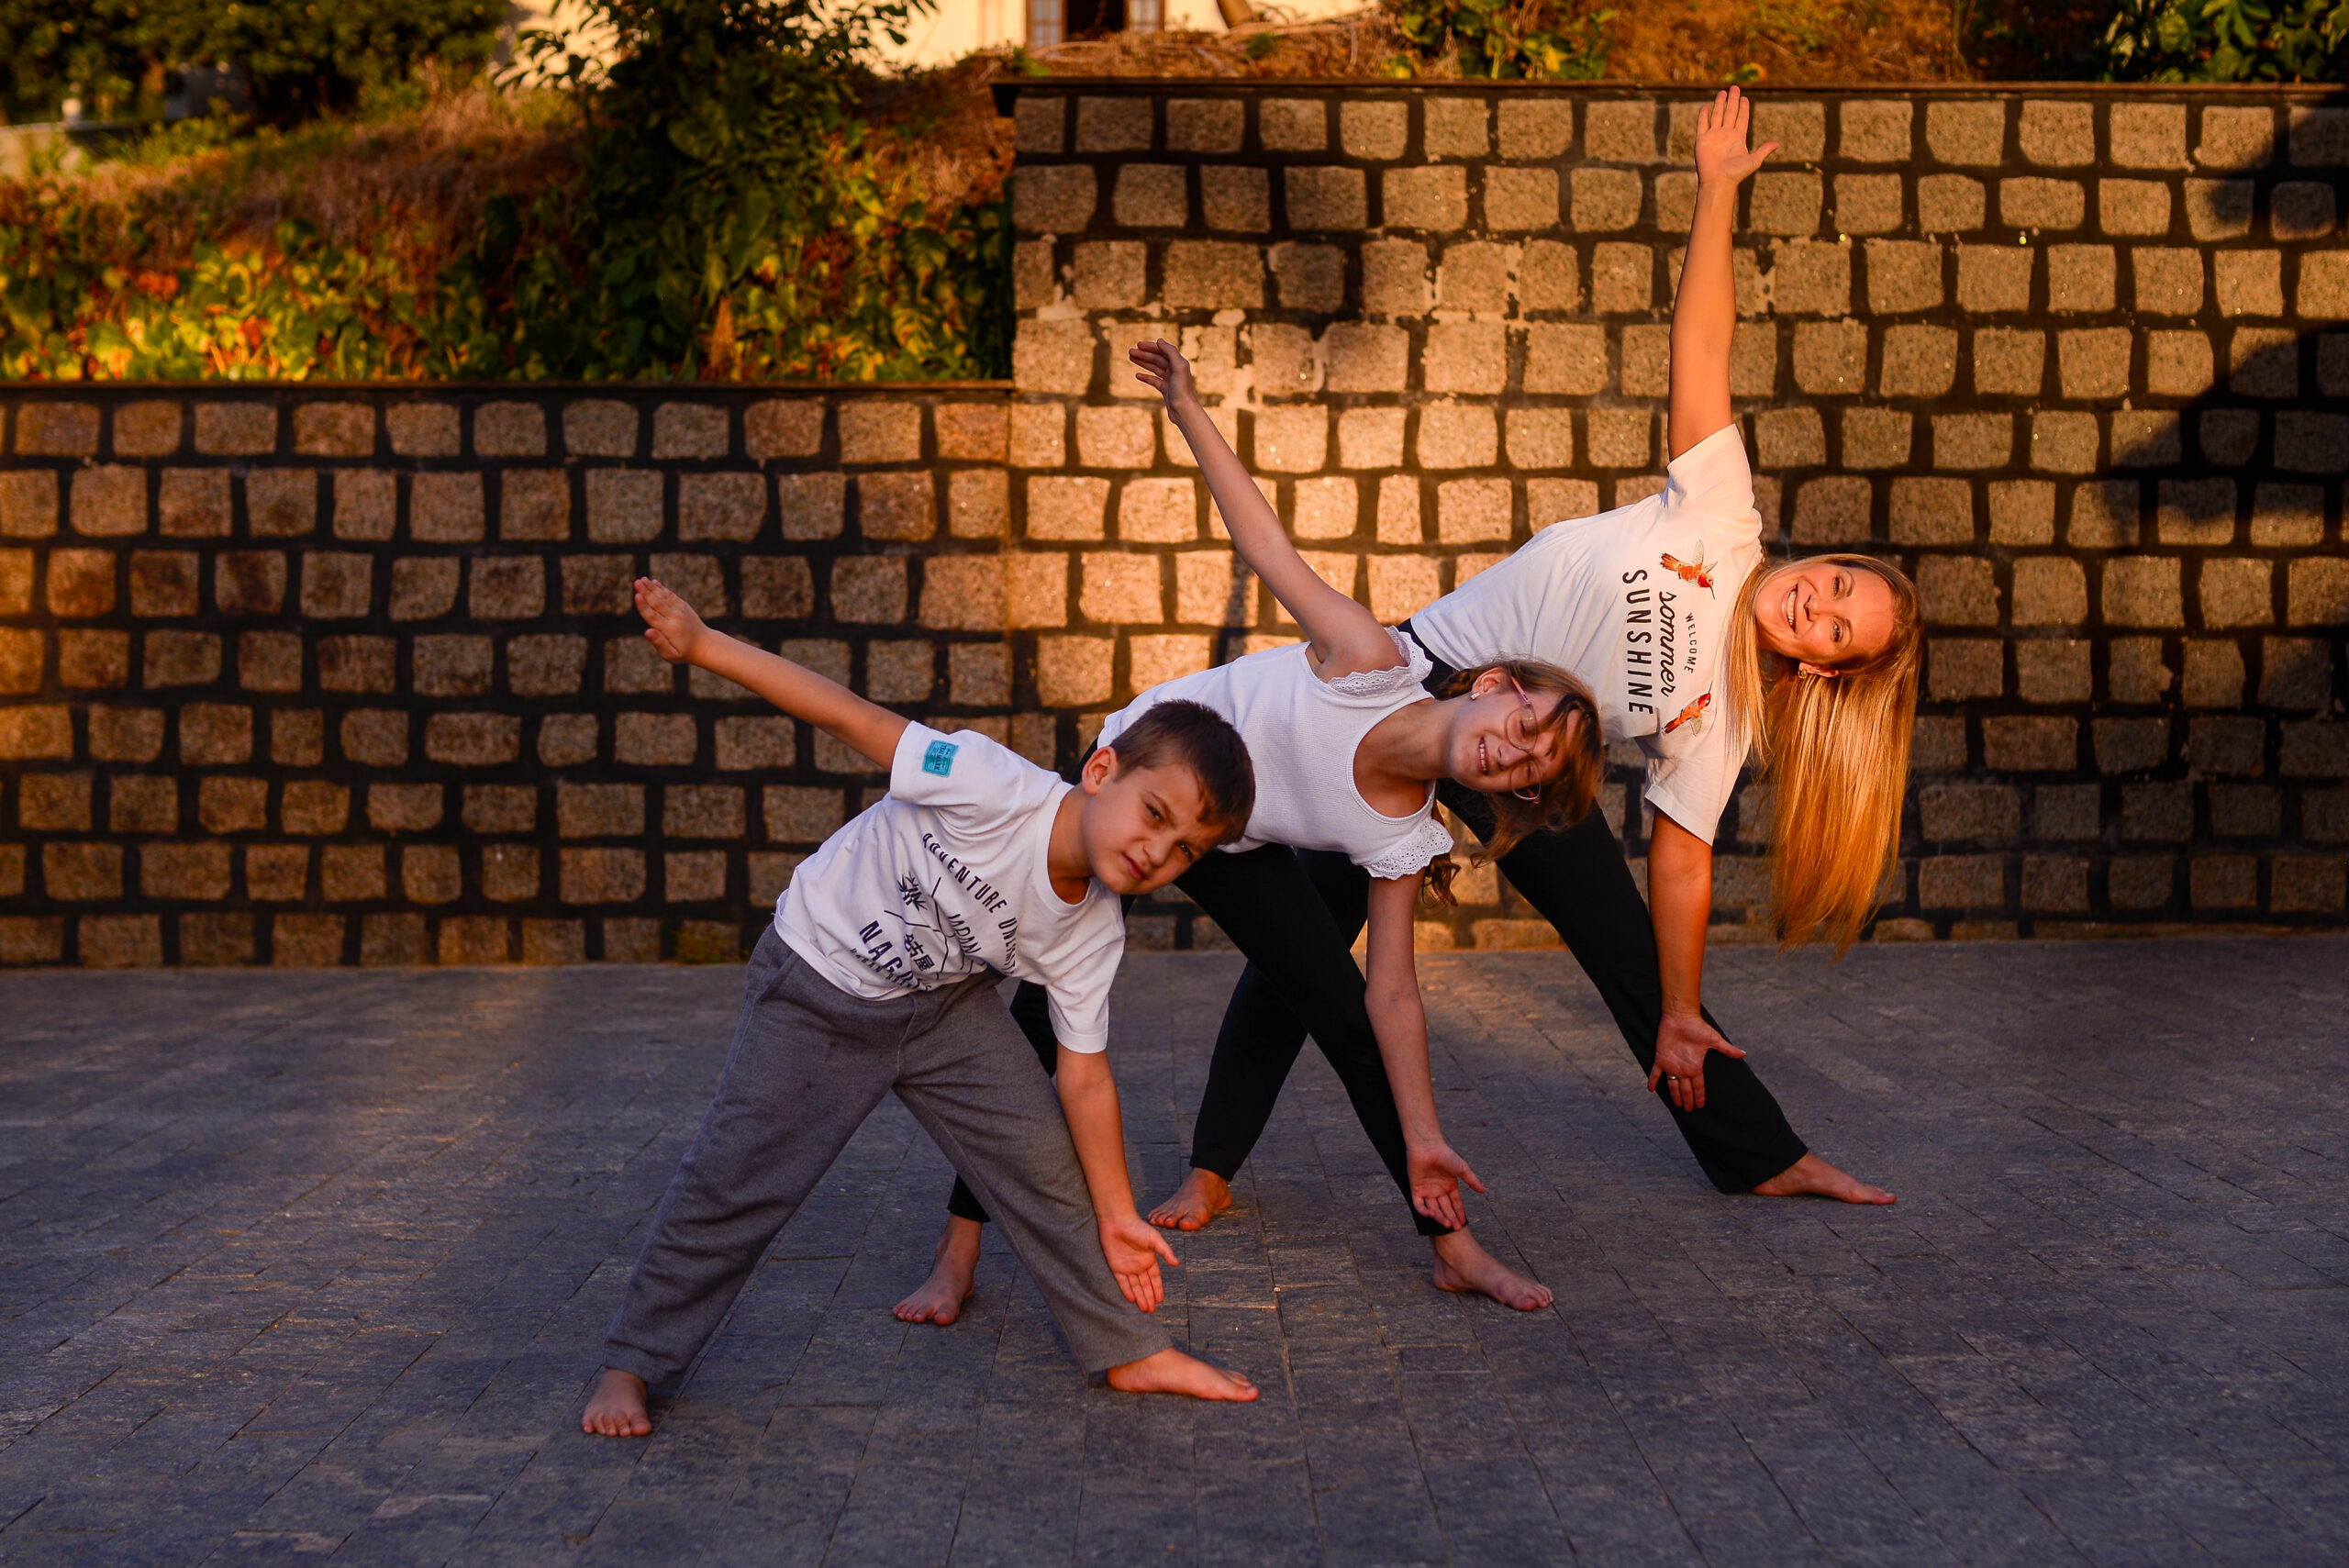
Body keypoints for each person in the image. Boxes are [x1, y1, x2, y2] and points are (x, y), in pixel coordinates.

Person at [1138, 83, 1926, 1237]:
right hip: (1429, 691)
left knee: (1640, 966)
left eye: (1835, 631)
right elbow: (1701, 342)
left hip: (1523, 753)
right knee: (1307, 942)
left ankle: (1759, 1154)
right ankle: (1211, 1166)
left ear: (1822, 670)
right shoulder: (1722, 514)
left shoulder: (1725, 716)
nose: (1818, 604)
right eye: (1839, 585)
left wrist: (1685, 998)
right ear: (1830, 559)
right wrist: (1715, 198)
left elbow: (1683, 867)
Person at [894, 343, 1608, 1326]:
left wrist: (1426, 1128)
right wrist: (1187, 406)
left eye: (1533, 769)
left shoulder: (1405, 837)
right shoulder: (1365, 657)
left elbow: (1395, 995)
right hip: (1149, 779)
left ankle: (1451, 1242)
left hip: (1232, 837)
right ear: (1493, 686)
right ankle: (957, 1251)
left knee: (1349, 1015)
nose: (1513, 754)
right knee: (1039, 1006)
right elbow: (1262, 541)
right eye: (1524, 727)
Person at [582, 577, 1263, 1439]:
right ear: (1102, 772)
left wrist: (1120, 1211)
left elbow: (1085, 1079)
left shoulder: (1094, 932)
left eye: (1184, 850)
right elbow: (848, 713)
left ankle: (1129, 1347)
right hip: (817, 983)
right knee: (737, 1177)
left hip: (941, 1009)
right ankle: (633, 1363)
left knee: (1046, 1166)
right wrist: (705, 642)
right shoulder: (987, 781)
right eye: (1154, 813)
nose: (1156, 850)